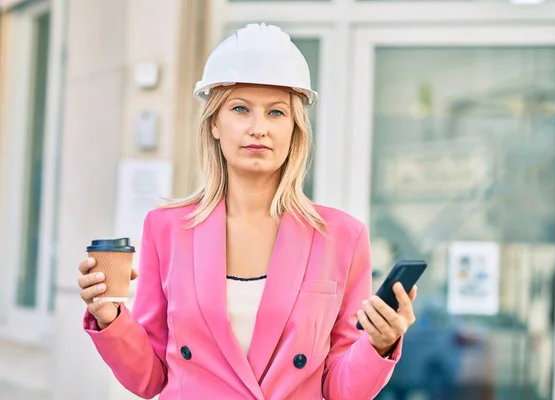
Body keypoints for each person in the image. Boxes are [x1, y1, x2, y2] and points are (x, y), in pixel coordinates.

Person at [78, 23, 417, 400]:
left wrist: (380, 345)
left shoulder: (342, 236)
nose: (259, 129)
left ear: (295, 130)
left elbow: (342, 389)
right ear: (215, 124)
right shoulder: (166, 229)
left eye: (276, 113)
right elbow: (149, 378)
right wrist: (110, 317)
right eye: (241, 109)